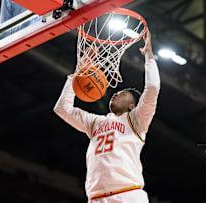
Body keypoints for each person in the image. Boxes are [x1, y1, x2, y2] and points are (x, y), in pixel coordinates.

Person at [54, 31, 160, 203]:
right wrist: (77, 74)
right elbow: (62, 109)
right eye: (117, 92)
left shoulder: (136, 120)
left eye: (123, 93)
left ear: (132, 106)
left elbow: (153, 87)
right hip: (96, 198)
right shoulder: (95, 122)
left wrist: (149, 56)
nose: (116, 94)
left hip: (128, 195)